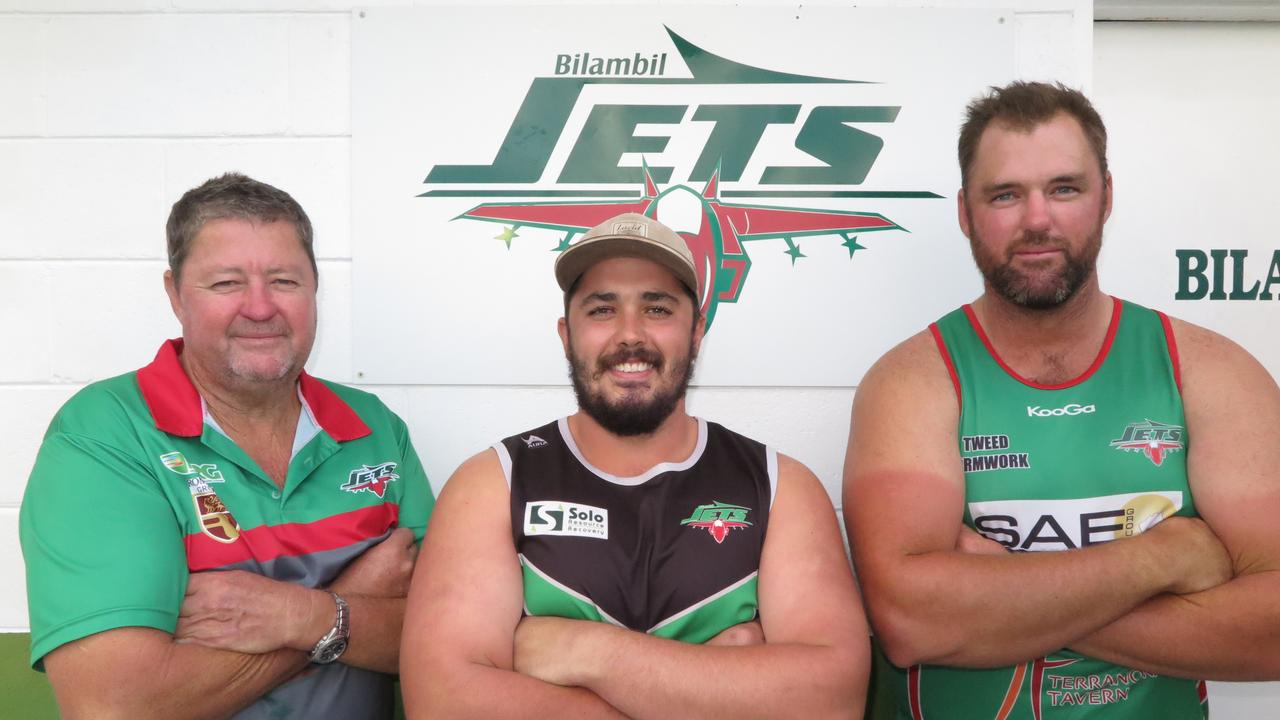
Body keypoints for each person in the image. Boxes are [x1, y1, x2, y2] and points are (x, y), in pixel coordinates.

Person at [844, 81, 1280, 718]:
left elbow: (1272, 630)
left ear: (1106, 196)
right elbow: (912, 622)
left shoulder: (1211, 373)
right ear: (966, 212)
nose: (1038, 219)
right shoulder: (913, 382)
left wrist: (998, 601)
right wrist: (1165, 558)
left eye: (1065, 188)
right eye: (1005, 195)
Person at [401, 212, 868, 718]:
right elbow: (443, 701)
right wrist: (719, 688)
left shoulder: (780, 488)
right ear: (566, 334)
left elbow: (831, 699)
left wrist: (584, 652)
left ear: (696, 332)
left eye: (658, 308)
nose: (630, 335)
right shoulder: (494, 482)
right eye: (602, 310)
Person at [20, 173, 435, 719]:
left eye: (284, 281)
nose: (260, 308)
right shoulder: (105, 435)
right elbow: (116, 706)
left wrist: (301, 616)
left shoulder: (375, 428)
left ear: (315, 287)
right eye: (225, 283)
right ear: (174, 294)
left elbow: (448, 635)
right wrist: (347, 608)